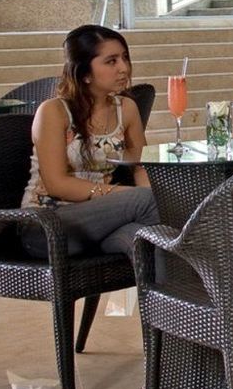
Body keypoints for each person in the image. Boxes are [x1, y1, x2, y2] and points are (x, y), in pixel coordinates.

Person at [21, 24, 159, 257]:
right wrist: (127, 196)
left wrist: (145, 199)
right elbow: (57, 184)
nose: (124, 68)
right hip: (46, 226)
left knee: (151, 243)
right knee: (146, 201)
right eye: (111, 61)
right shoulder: (54, 111)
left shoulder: (126, 108)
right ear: (84, 73)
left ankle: (180, 293)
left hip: (104, 221)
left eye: (125, 58)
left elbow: (140, 168)